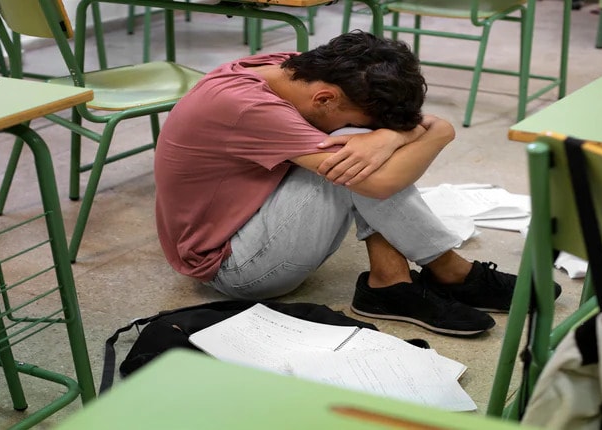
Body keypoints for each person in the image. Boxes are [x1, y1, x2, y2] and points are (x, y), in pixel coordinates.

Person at [154, 31, 554, 337]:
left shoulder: (295, 70)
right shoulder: (248, 107)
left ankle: (391, 282)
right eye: (369, 122)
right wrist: (440, 131)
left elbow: (390, 133)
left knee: (356, 150)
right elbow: (379, 185)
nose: (372, 130)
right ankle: (447, 270)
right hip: (233, 267)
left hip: (253, 218)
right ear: (325, 98)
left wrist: (389, 135)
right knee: (353, 166)